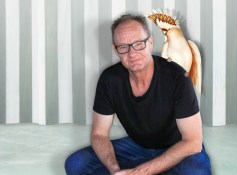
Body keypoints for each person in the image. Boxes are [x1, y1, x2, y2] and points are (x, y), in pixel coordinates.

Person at [65, 14, 211, 175]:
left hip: (179, 147)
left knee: (196, 172)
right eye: (123, 47)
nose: (132, 53)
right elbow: (99, 134)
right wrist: (114, 170)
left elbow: (193, 142)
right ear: (115, 50)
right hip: (138, 147)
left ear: (150, 42)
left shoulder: (177, 78)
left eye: (138, 44)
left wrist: (139, 172)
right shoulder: (109, 79)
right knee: (76, 163)